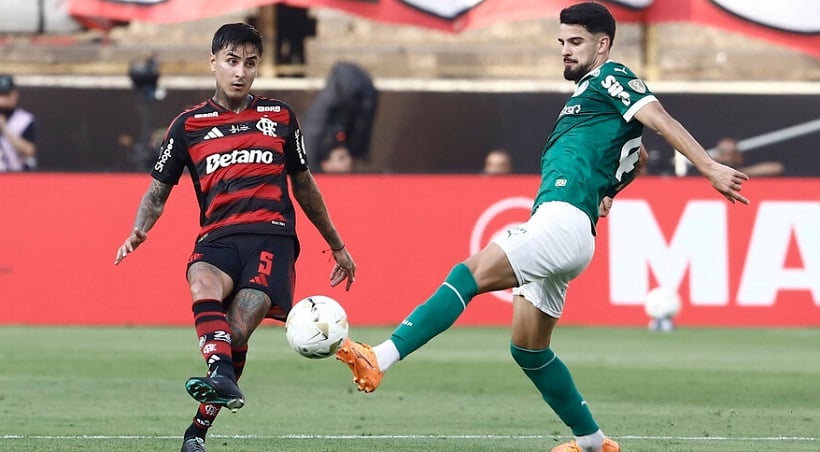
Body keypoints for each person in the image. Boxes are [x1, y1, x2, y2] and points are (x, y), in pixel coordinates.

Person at [335, 3, 749, 452]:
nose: (566, 51)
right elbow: (640, 156)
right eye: (562, 42)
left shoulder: (613, 77)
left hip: (563, 219)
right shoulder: (589, 97)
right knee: (528, 349)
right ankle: (592, 442)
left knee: (468, 274)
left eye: (576, 42)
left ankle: (381, 357)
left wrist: (708, 167)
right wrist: (610, 189)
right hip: (569, 227)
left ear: (602, 44)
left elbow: (659, 120)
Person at [113, 23, 356, 452]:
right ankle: (222, 381)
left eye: (250, 63)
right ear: (213, 63)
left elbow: (304, 186)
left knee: (235, 333)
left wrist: (335, 243)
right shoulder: (188, 125)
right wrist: (140, 229)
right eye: (231, 61)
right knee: (200, 282)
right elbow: (158, 189)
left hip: (272, 237)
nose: (240, 72)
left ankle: (196, 432)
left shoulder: (280, 117)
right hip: (217, 238)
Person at [0, 74, 37, 171]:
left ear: (15, 95)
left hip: (16, 175)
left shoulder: (25, 119)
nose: (3, 100)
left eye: (7, 95)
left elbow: (29, 151)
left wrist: (5, 129)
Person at [710, 137, 784, 177]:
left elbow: (776, 168)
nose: (728, 158)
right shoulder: (706, 173)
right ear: (717, 156)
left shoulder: (748, 173)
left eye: (733, 153)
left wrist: (741, 173)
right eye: (724, 153)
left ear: (739, 156)